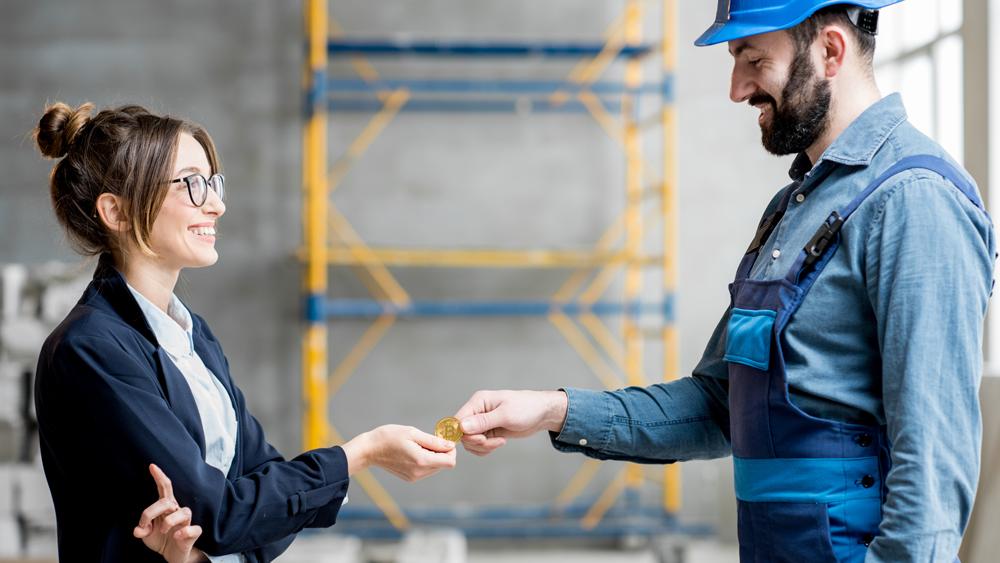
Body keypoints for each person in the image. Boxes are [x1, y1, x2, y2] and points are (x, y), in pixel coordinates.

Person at [454, 2, 996, 562]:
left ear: (830, 51)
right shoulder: (791, 210)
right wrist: (554, 409)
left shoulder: (914, 201)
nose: (738, 89)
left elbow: (932, 471)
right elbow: (721, 405)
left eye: (753, 59)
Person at [32, 102, 458, 563]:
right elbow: (223, 515)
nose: (217, 204)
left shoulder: (195, 338)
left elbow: (259, 506)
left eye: (213, 183)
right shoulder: (90, 349)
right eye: (192, 184)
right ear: (116, 211)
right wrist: (362, 453)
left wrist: (217, 542)